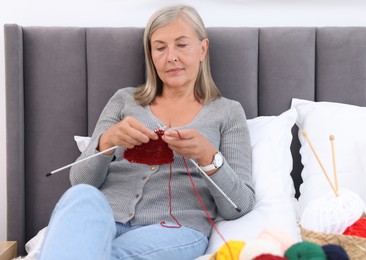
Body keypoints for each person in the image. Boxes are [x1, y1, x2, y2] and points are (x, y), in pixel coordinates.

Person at [38, 5, 255, 260]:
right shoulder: (124, 101)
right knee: (81, 196)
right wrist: (107, 141)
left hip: (175, 229)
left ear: (202, 49)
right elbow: (81, 181)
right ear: (151, 54)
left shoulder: (227, 112)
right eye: (160, 48)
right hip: (104, 219)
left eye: (181, 45)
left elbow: (239, 205)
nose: (170, 57)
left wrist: (208, 157)